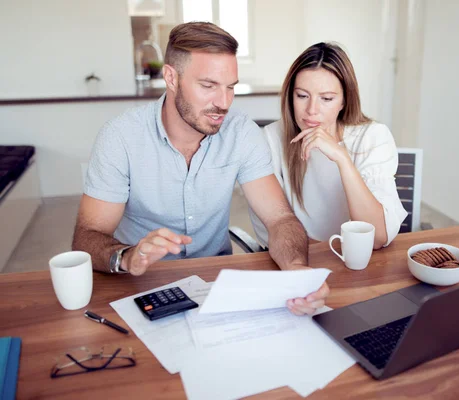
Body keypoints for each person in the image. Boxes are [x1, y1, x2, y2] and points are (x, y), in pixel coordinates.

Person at [72, 22, 327, 316]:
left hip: (214, 285)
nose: (223, 103)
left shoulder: (241, 132)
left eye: (230, 87)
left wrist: (296, 270)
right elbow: (88, 237)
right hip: (142, 286)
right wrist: (127, 257)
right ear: (171, 77)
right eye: (208, 86)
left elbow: (280, 219)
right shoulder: (121, 137)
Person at [251, 42, 407, 249]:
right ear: (290, 96)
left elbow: (377, 236)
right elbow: (271, 230)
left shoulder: (373, 136)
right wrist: (328, 254)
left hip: (359, 262)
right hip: (298, 260)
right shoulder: (270, 139)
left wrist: (342, 159)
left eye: (326, 98)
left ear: (344, 101)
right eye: (302, 96)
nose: (311, 110)